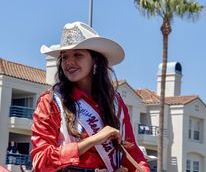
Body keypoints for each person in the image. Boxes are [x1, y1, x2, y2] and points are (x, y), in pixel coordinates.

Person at [31, 22, 150, 172]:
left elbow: (131, 152)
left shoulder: (116, 102)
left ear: (95, 60)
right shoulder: (51, 101)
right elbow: (40, 161)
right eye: (64, 57)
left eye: (78, 55)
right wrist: (93, 140)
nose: (69, 62)